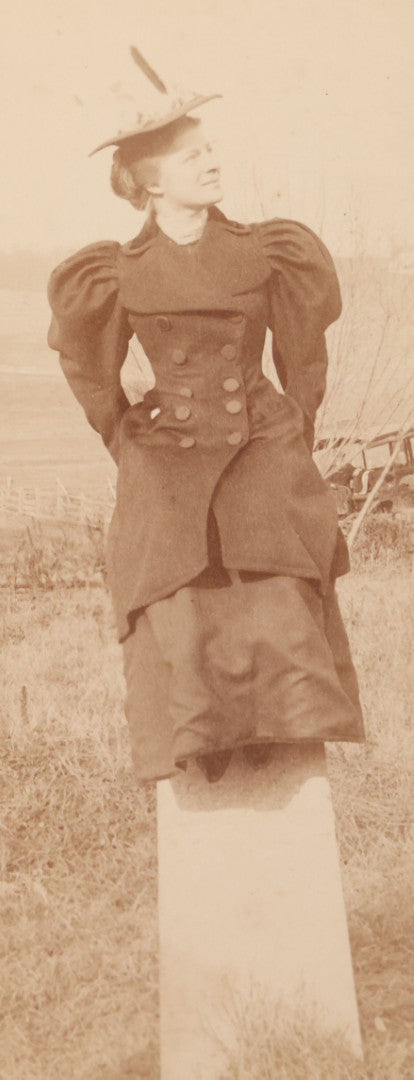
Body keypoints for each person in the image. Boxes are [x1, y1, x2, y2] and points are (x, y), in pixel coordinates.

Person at [47, 49, 364, 783]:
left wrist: (289, 433)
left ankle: (286, 731)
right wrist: (132, 444)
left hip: (262, 441)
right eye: (195, 157)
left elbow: (303, 360)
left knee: (278, 569)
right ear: (150, 180)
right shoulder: (112, 272)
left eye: (213, 149)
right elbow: (93, 379)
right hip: (168, 451)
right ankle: (202, 740)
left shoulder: (269, 251)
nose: (213, 163)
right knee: (172, 575)